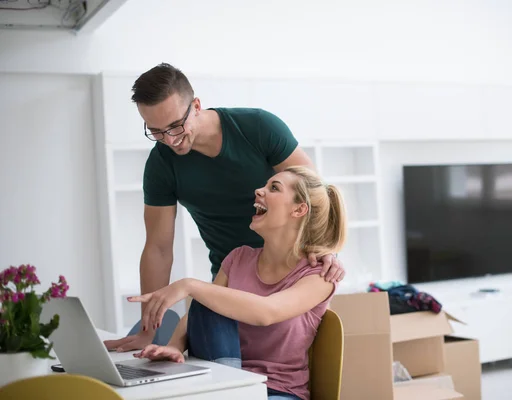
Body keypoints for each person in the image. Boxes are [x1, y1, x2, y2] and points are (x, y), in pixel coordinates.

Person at [104, 63, 345, 352]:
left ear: (196, 106)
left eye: (175, 126)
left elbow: (314, 195)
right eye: (156, 131)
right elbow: (158, 247)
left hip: (289, 273)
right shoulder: (161, 164)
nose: (169, 139)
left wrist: (326, 249)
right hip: (230, 275)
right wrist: (149, 330)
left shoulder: (258, 128)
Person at [128, 166, 346, 400]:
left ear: (299, 209)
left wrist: (189, 285)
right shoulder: (238, 258)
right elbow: (201, 314)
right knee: (209, 299)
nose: (259, 191)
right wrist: (173, 346)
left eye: (274, 188)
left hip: (277, 391)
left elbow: (267, 312)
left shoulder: (319, 275)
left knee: (207, 293)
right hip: (226, 382)